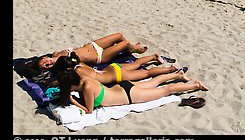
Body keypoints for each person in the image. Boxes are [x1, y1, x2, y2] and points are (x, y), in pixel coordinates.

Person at [55, 55, 208, 114]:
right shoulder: (86, 81)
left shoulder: (87, 88)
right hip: (123, 87)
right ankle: (177, 74)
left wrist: (73, 101)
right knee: (153, 81)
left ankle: (195, 86)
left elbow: (88, 110)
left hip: (129, 95)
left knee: (166, 90)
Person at [14, 32, 148, 85]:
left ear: (43, 58)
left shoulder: (55, 55)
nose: (48, 64)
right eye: (46, 67)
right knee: (123, 43)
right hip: (99, 56)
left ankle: (130, 49)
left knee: (119, 35)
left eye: (45, 62)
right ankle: (131, 48)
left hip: (92, 45)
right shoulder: (62, 65)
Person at [54, 52, 185, 85]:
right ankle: (153, 57)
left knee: (146, 73)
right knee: (136, 63)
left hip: (115, 76)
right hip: (112, 68)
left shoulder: (77, 72)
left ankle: (171, 69)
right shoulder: (79, 64)